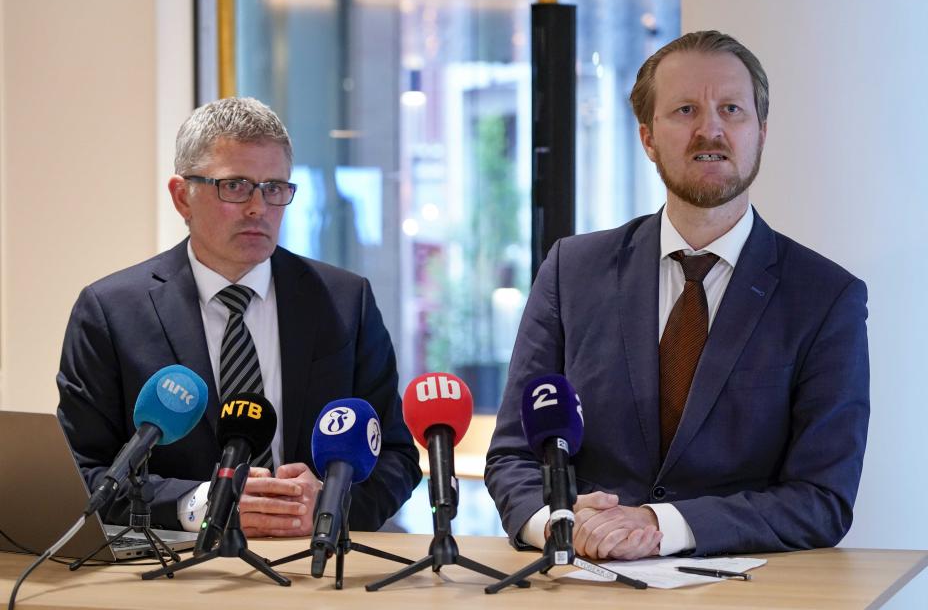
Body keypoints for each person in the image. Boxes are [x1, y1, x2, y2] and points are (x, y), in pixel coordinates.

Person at [485, 30, 869, 560]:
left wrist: (660, 523)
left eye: (731, 109)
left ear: (760, 132)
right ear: (647, 138)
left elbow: (822, 499)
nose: (710, 129)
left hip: (749, 588)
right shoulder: (571, 271)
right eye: (686, 110)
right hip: (583, 579)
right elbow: (513, 455)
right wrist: (557, 524)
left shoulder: (825, 298)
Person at [57, 97, 421, 536]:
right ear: (182, 197)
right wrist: (199, 504)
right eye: (235, 186)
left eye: (274, 188)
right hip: (179, 565)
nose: (258, 208)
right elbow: (84, 473)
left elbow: (397, 457)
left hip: (314, 558)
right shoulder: (110, 311)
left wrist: (332, 504)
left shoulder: (345, 301)